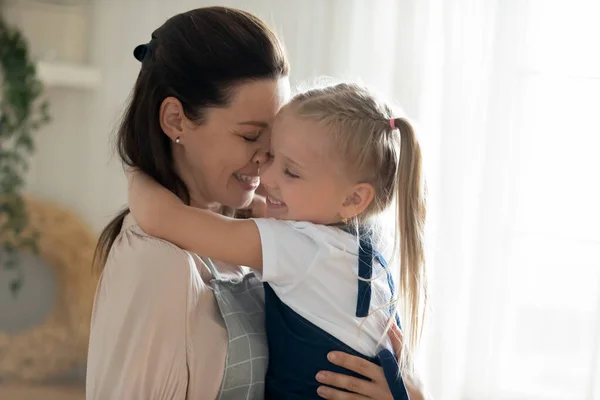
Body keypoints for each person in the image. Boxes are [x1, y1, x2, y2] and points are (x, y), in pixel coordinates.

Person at [86, 6, 427, 400]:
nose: (267, 159)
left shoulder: (277, 232)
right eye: (251, 136)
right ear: (176, 120)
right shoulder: (158, 262)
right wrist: (137, 170)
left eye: (278, 142)